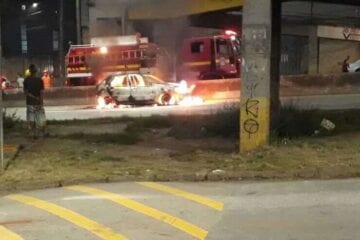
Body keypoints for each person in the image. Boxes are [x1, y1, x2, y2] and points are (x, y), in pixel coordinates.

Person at [23, 64, 47, 138]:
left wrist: (33, 97)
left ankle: (33, 134)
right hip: (38, 103)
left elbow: (26, 92)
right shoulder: (40, 80)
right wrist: (41, 102)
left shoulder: (26, 80)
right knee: (40, 118)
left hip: (30, 103)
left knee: (31, 118)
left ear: (30, 71)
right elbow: (42, 92)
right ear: (36, 71)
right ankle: (41, 133)